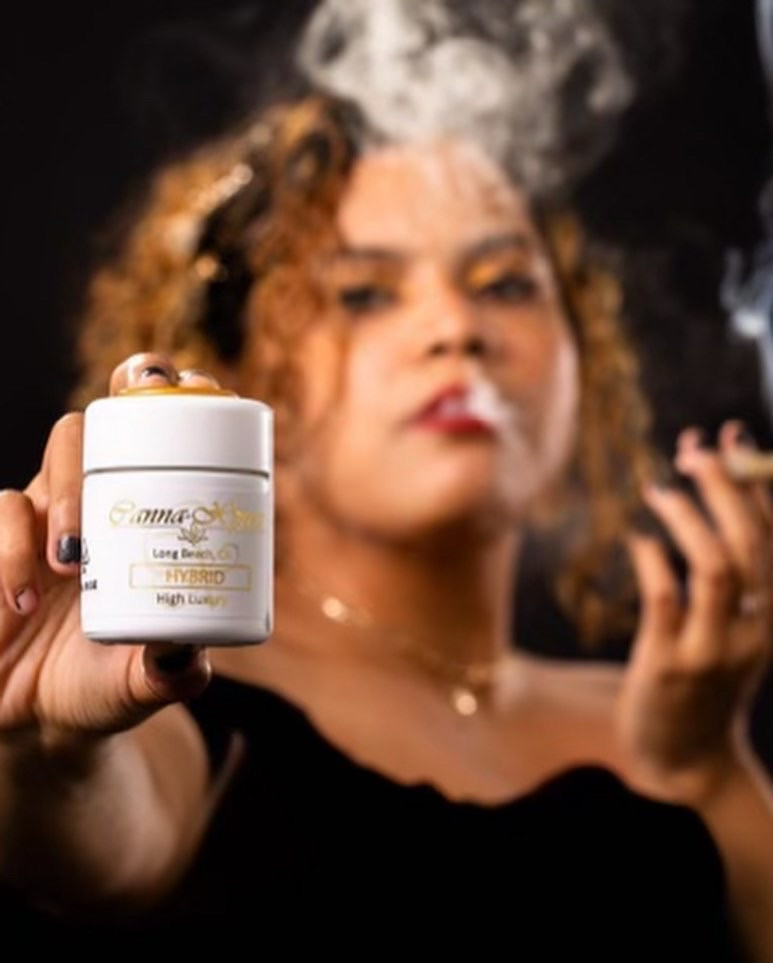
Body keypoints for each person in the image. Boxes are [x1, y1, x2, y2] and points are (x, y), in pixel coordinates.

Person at [0, 93, 770, 957]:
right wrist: (45, 750)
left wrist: (707, 769)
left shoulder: (668, 716)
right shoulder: (170, 678)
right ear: (238, 380)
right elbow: (93, 841)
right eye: (364, 293)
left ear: (581, 354)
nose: (456, 328)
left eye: (504, 283)